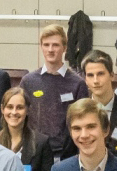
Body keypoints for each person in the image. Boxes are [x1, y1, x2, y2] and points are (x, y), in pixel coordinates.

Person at [60, 50, 117, 171]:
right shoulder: (75, 111)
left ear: (112, 75)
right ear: (85, 79)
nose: (96, 80)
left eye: (100, 74)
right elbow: (67, 157)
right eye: (90, 75)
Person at [19, 25, 89, 156]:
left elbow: (82, 122)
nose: (50, 50)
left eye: (55, 45)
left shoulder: (78, 84)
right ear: (41, 47)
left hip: (64, 155)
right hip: (35, 152)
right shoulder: (28, 82)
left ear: (65, 48)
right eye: (46, 45)